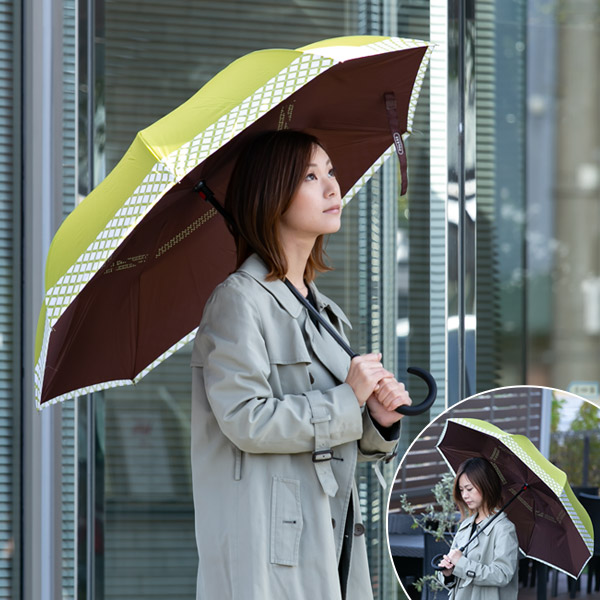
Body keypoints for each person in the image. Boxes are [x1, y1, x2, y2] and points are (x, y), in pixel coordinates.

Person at [190, 129, 412, 600]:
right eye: (311, 176)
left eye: (330, 171)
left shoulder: (321, 309)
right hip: (271, 551)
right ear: (272, 195)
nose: (333, 187)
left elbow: (333, 438)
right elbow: (246, 419)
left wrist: (377, 420)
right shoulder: (238, 302)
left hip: (330, 537)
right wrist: (347, 397)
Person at [437, 457, 519, 600]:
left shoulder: (504, 529)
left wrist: (462, 563)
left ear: (486, 485)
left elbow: (503, 575)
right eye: (461, 490)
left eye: (469, 489)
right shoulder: (465, 525)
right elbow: (456, 577)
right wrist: (448, 573)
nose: (464, 495)